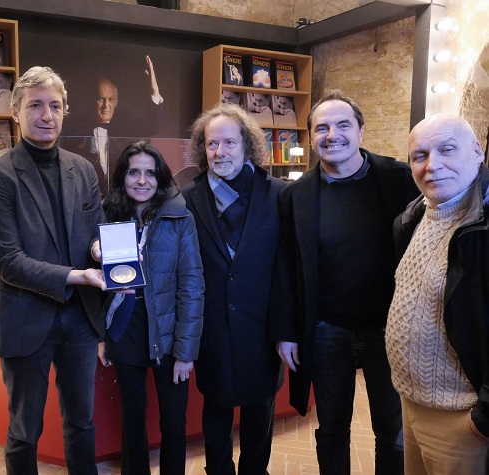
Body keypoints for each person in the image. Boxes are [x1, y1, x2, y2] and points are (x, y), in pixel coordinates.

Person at [272, 91, 420, 474]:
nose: (331, 135)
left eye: (342, 125)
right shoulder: (296, 195)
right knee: (332, 429)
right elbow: (286, 267)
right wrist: (286, 332)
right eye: (321, 127)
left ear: (360, 131)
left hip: (389, 330)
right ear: (310, 136)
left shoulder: (400, 179)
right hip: (326, 330)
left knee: (392, 431)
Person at [0, 66, 107, 475]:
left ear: (64, 111)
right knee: (24, 431)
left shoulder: (83, 169)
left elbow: (95, 229)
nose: (46, 115)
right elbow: (8, 260)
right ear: (16, 111)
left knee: (82, 423)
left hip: (80, 318)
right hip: (26, 318)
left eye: (55, 105)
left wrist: (101, 249)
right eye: (35, 105)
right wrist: (77, 275)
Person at [182, 103, 286, 474]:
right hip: (212, 329)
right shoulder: (187, 198)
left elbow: (286, 269)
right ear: (202, 148)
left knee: (260, 413)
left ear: (247, 145)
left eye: (229, 143)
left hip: (262, 329)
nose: (219, 152)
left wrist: (285, 330)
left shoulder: (278, 195)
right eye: (211, 144)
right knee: (216, 411)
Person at [386, 114, 489, 474]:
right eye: (420, 155)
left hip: (461, 421)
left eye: (447, 150)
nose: (432, 166)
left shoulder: (482, 227)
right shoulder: (414, 218)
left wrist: (483, 418)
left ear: (477, 151)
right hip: (411, 405)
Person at [98, 140, 204, 474]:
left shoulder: (180, 216)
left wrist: (186, 352)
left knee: (173, 421)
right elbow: (97, 286)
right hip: (126, 328)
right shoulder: (110, 214)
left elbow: (192, 285)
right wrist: (103, 335)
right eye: (133, 172)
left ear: (160, 177)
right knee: (132, 419)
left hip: (170, 334)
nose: (142, 181)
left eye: (150, 173)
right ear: (122, 177)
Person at [81, 55, 164, 197]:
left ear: (116, 102)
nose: (106, 106)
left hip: (121, 198)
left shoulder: (125, 125)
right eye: (101, 99)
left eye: (111, 99)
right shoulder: (78, 127)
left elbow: (152, 126)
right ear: (92, 100)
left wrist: (154, 90)